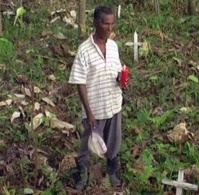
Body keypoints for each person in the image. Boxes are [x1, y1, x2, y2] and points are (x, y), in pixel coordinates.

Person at [68, 5, 124, 190]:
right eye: (106, 24)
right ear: (95, 23)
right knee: (88, 144)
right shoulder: (84, 50)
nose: (110, 28)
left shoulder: (114, 46)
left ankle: (112, 172)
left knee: (113, 142)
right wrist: (89, 112)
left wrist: (121, 79)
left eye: (112, 23)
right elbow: (79, 82)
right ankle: (82, 175)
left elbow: (117, 71)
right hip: (95, 108)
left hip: (113, 103)